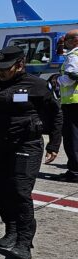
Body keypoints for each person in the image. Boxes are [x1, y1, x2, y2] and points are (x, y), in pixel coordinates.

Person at [0, 46, 62, 259]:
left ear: (20, 64)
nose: (0, 72)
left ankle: (24, 242)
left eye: (5, 68)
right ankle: (11, 230)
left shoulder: (37, 86)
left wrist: (54, 144)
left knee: (19, 191)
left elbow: (56, 115)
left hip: (26, 144)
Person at [52, 29, 78, 182]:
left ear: (74, 41)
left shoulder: (73, 56)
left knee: (72, 138)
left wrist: (57, 80)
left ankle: (74, 171)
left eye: (66, 41)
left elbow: (70, 78)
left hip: (73, 103)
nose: (64, 44)